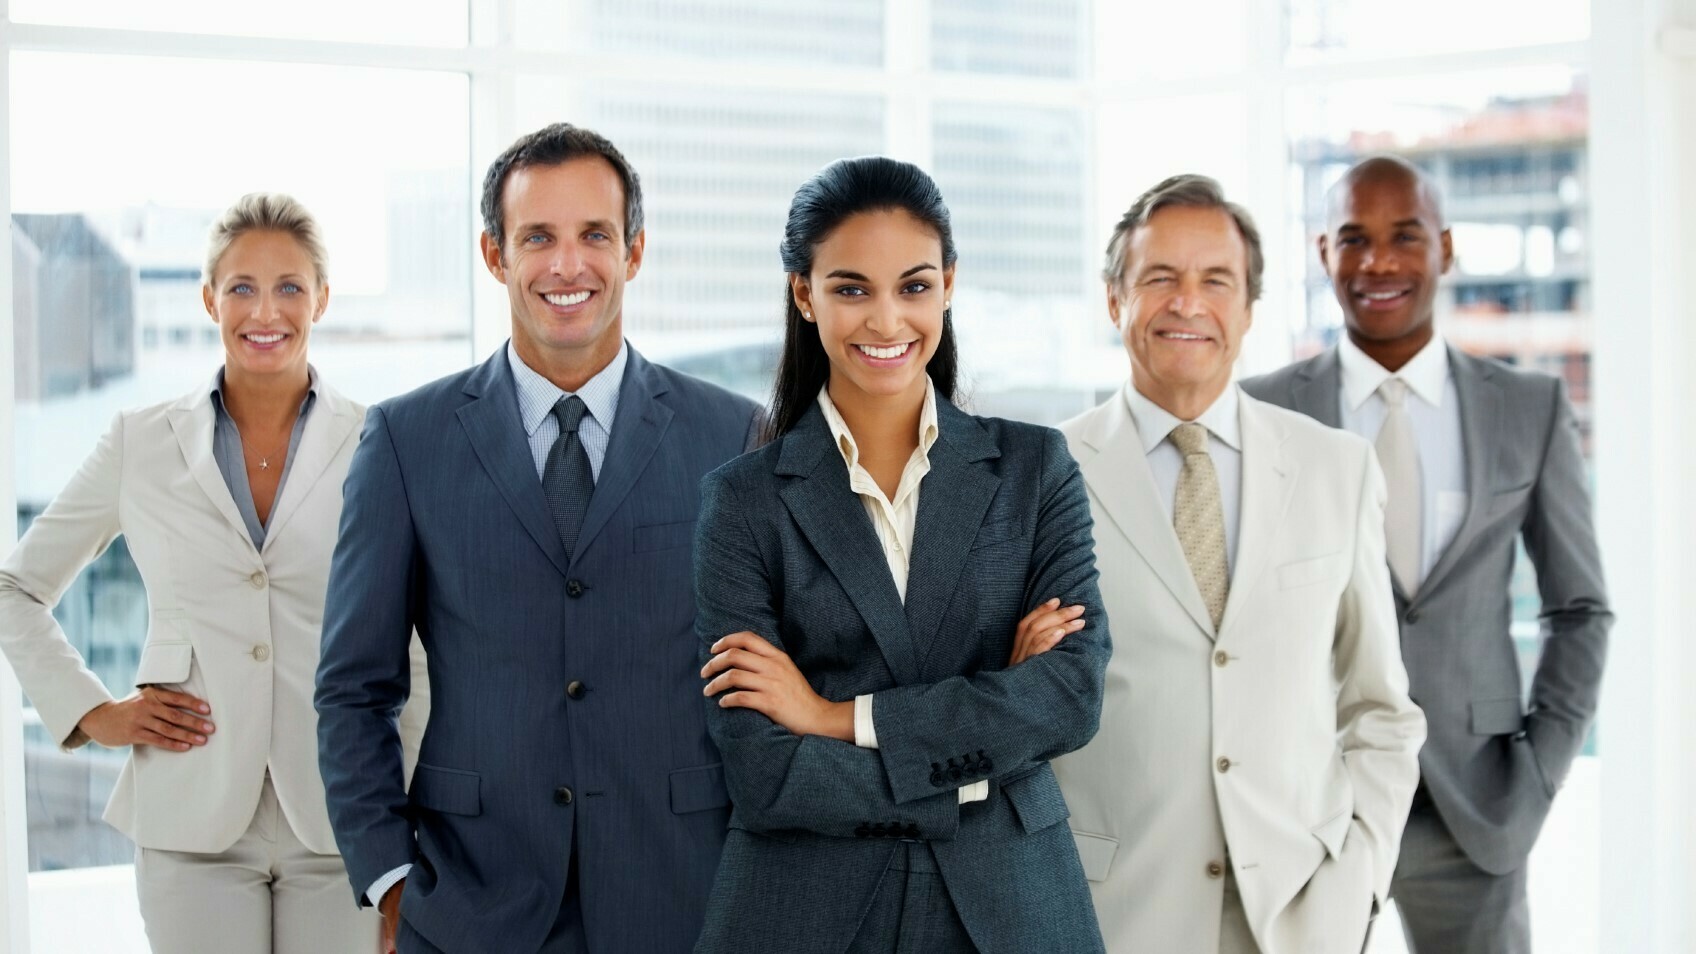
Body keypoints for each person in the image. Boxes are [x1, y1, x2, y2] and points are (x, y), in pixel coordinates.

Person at [315, 123, 763, 954]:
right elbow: (353, 688)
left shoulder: (731, 435)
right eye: (538, 238)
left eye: (595, 234)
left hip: (685, 893)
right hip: (468, 901)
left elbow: (771, 676)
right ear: (495, 255)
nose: (568, 266)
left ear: (634, 251)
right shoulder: (406, 440)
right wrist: (388, 878)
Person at [693, 156, 1109, 954]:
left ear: (948, 285)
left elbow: (1070, 696)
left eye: (913, 287)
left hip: (1011, 909)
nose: (887, 321)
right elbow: (765, 771)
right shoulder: (742, 502)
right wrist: (986, 757)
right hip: (806, 914)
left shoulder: (1035, 469)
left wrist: (831, 716)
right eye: (852, 289)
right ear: (803, 294)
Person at [0, 193, 425, 952]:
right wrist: (91, 711)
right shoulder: (141, 442)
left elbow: (420, 641)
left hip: (344, 816)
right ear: (209, 299)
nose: (266, 310)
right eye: (242, 287)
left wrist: (407, 808)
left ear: (322, 299)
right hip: (188, 814)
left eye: (290, 286)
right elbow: (15, 588)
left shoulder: (380, 442)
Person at [1241, 155, 1610, 954]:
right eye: (1353, 239)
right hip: (1310, 803)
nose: (1378, 262)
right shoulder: (1263, 410)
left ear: (1446, 248)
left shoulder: (1529, 409)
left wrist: (1540, 770)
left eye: (1404, 236)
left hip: (1475, 807)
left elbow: (1579, 609)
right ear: (1322, 255)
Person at [1049, 174, 1426, 954]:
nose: (1188, 303)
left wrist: (1360, 877)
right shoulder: (1038, 476)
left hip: (1299, 914)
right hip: (1109, 917)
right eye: (1160, 278)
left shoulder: (1337, 469)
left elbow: (1380, 708)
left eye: (1215, 281)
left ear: (1249, 308)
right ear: (1115, 299)